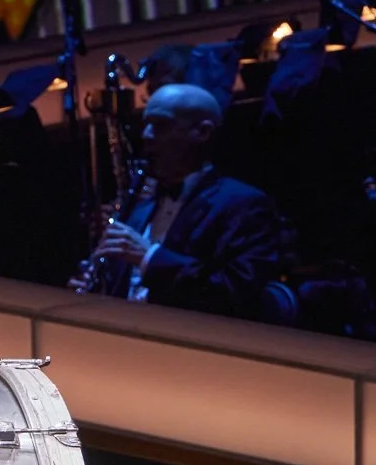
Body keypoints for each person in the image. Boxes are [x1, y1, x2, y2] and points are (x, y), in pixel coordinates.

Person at [76, 83, 292, 319]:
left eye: (161, 125)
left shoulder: (245, 205)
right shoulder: (140, 208)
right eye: (146, 124)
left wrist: (149, 257)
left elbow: (234, 292)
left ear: (202, 132)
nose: (146, 136)